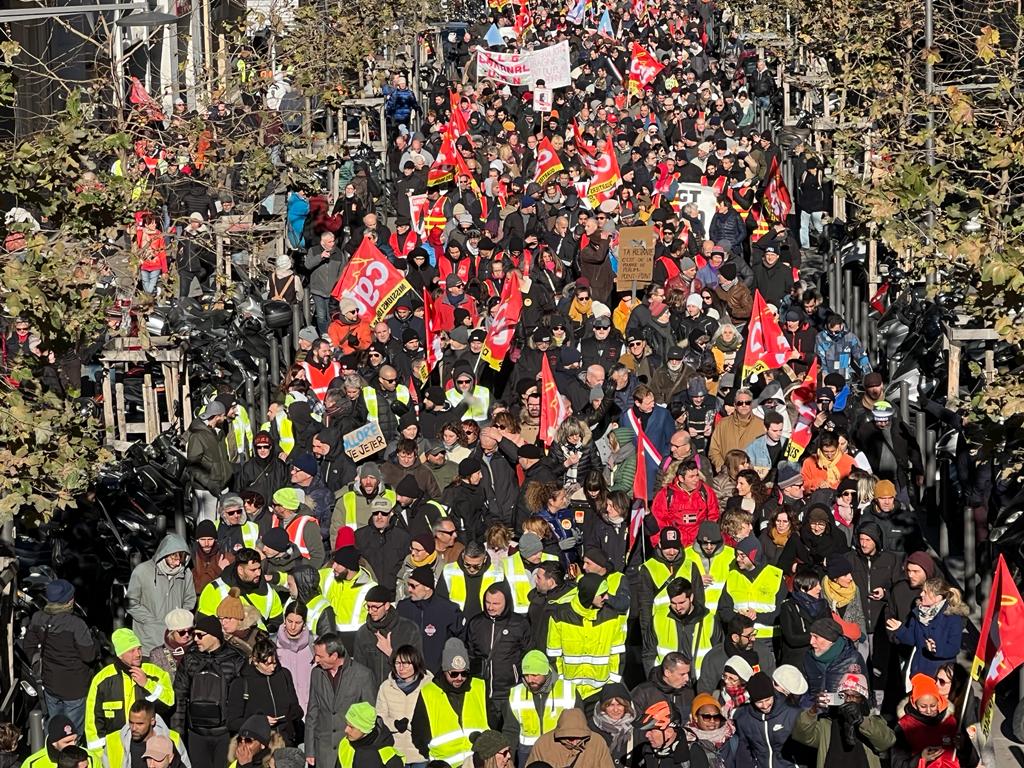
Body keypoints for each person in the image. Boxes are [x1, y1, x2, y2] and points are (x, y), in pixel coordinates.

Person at [23, 579, 97, 735]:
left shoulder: (38, 618)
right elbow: (89, 656)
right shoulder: (76, 624)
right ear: (70, 600)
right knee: (71, 732)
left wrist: (37, 662)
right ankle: (68, 756)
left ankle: (52, 753)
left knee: (55, 728)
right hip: (74, 689)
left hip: (50, 683)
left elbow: (28, 645)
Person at [171, 615, 244, 768]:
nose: (195, 639)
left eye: (199, 635)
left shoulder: (235, 659)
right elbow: (179, 697)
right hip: (196, 734)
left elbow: (243, 701)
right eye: (194, 635)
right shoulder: (190, 659)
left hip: (226, 735)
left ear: (214, 636)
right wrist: (178, 734)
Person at [85, 628, 175, 752]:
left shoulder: (154, 673)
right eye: (131, 651)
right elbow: (93, 723)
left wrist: (147, 684)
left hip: (149, 746)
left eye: (139, 649)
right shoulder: (102, 680)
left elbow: (168, 704)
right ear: (120, 654)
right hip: (117, 749)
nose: (138, 654)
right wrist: (100, 756)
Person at [410, 638, 489, 767]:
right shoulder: (429, 692)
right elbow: (418, 732)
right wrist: (430, 755)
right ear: (444, 670)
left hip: (477, 762)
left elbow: (493, 721)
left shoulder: (479, 686)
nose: (459, 678)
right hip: (444, 764)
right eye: (454, 674)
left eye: (464, 673)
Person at [547, 573, 627, 700]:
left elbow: (617, 655)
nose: (606, 597)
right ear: (589, 594)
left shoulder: (612, 617)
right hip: (569, 690)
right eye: (602, 594)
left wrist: (612, 684)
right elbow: (554, 655)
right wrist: (561, 682)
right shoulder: (560, 616)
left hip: (601, 690)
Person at [790, 672, 896, 768]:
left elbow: (887, 741)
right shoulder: (827, 723)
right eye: (844, 695)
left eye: (854, 696)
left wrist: (862, 721)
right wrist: (813, 710)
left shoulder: (872, 722)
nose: (849, 699)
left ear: (863, 700)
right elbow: (802, 735)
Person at [305, 633, 377, 768]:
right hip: (323, 751)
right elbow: (312, 713)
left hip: (350, 749)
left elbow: (371, 716)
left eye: (320, 656)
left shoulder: (363, 675)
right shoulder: (316, 673)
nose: (316, 659)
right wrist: (310, 750)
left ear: (334, 656)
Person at [718, 536, 786, 671]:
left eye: (742, 556)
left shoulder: (776, 576)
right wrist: (740, 620)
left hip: (768, 640)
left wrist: (756, 617)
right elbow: (723, 610)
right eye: (737, 555)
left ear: (753, 555)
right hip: (740, 642)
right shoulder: (732, 576)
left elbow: (781, 611)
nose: (738, 559)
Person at [465, 583, 531, 719]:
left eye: (496, 603)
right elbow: (469, 654)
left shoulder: (519, 623)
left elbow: (528, 654)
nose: (490, 607)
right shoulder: (476, 623)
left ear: (506, 603)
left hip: (510, 691)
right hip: (482, 691)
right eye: (487, 602)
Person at [226, 636, 302, 746]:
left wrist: (290, 717)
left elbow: (295, 707)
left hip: (285, 741)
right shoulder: (241, 683)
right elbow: (232, 722)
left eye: (274, 663)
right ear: (256, 661)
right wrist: (260, 721)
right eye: (267, 664)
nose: (272, 668)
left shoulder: (284, 675)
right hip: (259, 746)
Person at [127, 534, 196, 656]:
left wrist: (180, 620)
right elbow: (131, 603)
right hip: (148, 641)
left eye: (180, 559)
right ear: (164, 554)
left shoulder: (186, 573)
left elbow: (190, 599)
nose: (177, 563)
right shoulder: (142, 571)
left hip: (175, 640)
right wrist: (150, 621)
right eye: (173, 559)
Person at [886, 577, 968, 677]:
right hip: (919, 671)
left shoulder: (953, 618)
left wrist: (935, 649)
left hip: (940, 674)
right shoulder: (918, 613)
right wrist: (900, 629)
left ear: (938, 598)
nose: (921, 594)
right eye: (922, 591)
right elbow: (911, 640)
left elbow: (953, 648)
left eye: (925, 592)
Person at [395, 565, 464, 674]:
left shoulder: (448, 610)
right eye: (408, 585)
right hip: (409, 674)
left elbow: (460, 642)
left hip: (438, 674)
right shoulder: (403, 608)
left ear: (427, 587)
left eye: (414, 586)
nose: (409, 590)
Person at [352, 586, 422, 688]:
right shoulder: (363, 633)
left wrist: (390, 653)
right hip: (373, 696)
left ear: (387, 606)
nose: (371, 611)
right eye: (368, 607)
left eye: (375, 607)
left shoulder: (409, 630)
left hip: (401, 692)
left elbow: (416, 665)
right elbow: (359, 671)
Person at [198, 548, 283, 630]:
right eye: (253, 570)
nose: (258, 573)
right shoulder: (214, 590)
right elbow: (204, 625)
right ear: (240, 570)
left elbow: (277, 623)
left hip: (257, 641)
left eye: (259, 568)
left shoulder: (269, 591)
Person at [375, 645, 432, 767]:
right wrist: (394, 724)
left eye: (406, 663)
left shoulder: (429, 686)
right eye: (397, 663)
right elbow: (380, 716)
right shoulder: (386, 687)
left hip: (421, 754)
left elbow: (435, 717)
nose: (401, 667)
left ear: (415, 663)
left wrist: (413, 725)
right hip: (395, 753)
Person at [892, 673, 960, 768]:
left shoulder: (951, 720)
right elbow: (897, 764)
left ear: (939, 701)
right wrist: (921, 758)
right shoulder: (904, 726)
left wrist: (963, 745)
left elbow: (969, 757)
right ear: (914, 704)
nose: (929, 711)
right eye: (923, 706)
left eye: (933, 705)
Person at [99, 700, 189, 768]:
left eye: (140, 724)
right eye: (131, 722)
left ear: (152, 721)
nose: (133, 728)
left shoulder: (171, 739)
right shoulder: (113, 741)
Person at [800, 617, 867, 707]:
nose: (811, 641)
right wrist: (811, 704)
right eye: (811, 636)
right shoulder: (808, 657)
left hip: (840, 715)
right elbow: (803, 692)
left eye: (816, 637)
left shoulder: (853, 658)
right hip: (813, 714)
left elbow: (863, 695)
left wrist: (833, 701)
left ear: (830, 640)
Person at [186, 400, 232, 522]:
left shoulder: (219, 432)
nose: (224, 418)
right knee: (207, 524)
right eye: (223, 415)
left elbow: (222, 458)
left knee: (218, 523)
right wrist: (210, 484)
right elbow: (193, 466)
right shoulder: (197, 436)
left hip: (221, 486)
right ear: (217, 416)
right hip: (206, 489)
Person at [779, 566, 831, 668]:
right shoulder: (789, 607)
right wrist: (815, 638)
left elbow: (830, 629)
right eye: (815, 585)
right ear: (803, 588)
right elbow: (791, 637)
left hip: (820, 658)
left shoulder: (823, 605)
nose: (819, 588)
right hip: (797, 660)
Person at [526, 709, 613, 768]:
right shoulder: (543, 744)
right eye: (569, 738)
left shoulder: (597, 742)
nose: (574, 743)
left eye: (579, 737)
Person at [336, 703, 403, 768]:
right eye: (347, 725)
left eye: (352, 727)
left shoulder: (386, 754)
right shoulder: (344, 744)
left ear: (365, 729)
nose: (346, 730)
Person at [275, 604, 314, 717]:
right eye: (289, 621)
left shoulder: (314, 645)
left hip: (309, 711)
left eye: (298, 623)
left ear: (304, 623)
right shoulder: (273, 644)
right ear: (284, 619)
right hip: (282, 712)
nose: (292, 627)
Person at [586, 683, 634, 768]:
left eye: (619, 704)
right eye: (611, 705)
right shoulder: (590, 729)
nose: (615, 709)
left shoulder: (635, 728)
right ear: (603, 707)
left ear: (626, 706)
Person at [685, 695, 738, 768]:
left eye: (716, 717)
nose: (712, 721)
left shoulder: (731, 738)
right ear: (696, 718)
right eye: (706, 717)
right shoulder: (687, 740)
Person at [635, 701, 691, 768]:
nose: (646, 735)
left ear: (669, 732)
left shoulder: (692, 753)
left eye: (652, 730)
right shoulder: (645, 751)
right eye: (647, 730)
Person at [148, 609, 195, 680]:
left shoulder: (198, 649)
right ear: (172, 633)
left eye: (190, 631)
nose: (187, 635)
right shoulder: (158, 655)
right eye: (181, 632)